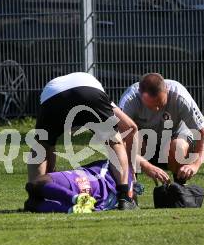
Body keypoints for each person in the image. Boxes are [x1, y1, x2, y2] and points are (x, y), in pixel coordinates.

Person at [27, 72, 138, 210]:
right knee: (114, 142)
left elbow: (49, 150)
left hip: (53, 95)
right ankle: (124, 197)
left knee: (41, 147)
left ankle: (36, 193)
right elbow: (131, 127)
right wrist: (132, 167)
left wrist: (49, 177)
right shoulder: (101, 95)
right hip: (89, 91)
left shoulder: (56, 88)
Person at [119, 73, 204, 184]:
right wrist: (145, 165)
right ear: (140, 94)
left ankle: (180, 190)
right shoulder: (129, 100)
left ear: (167, 90)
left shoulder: (180, 96)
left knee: (178, 147)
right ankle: (131, 191)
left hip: (174, 138)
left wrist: (195, 165)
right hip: (144, 144)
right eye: (151, 106)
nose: (157, 109)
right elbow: (120, 142)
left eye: (160, 103)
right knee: (132, 140)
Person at [24, 159, 139, 213]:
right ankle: (70, 209)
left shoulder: (122, 169)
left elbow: (126, 153)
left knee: (33, 185)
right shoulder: (114, 202)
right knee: (30, 204)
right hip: (92, 192)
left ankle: (76, 198)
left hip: (79, 180)